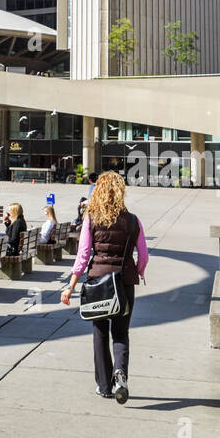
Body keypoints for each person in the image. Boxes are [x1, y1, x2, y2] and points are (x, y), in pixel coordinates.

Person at [60, 170, 149, 403]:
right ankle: (121, 375)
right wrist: (137, 271)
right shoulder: (132, 220)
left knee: (99, 333)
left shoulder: (91, 218)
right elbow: (144, 255)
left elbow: (83, 255)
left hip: (98, 282)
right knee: (121, 333)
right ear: (120, 192)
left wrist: (70, 286)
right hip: (124, 283)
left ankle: (104, 385)